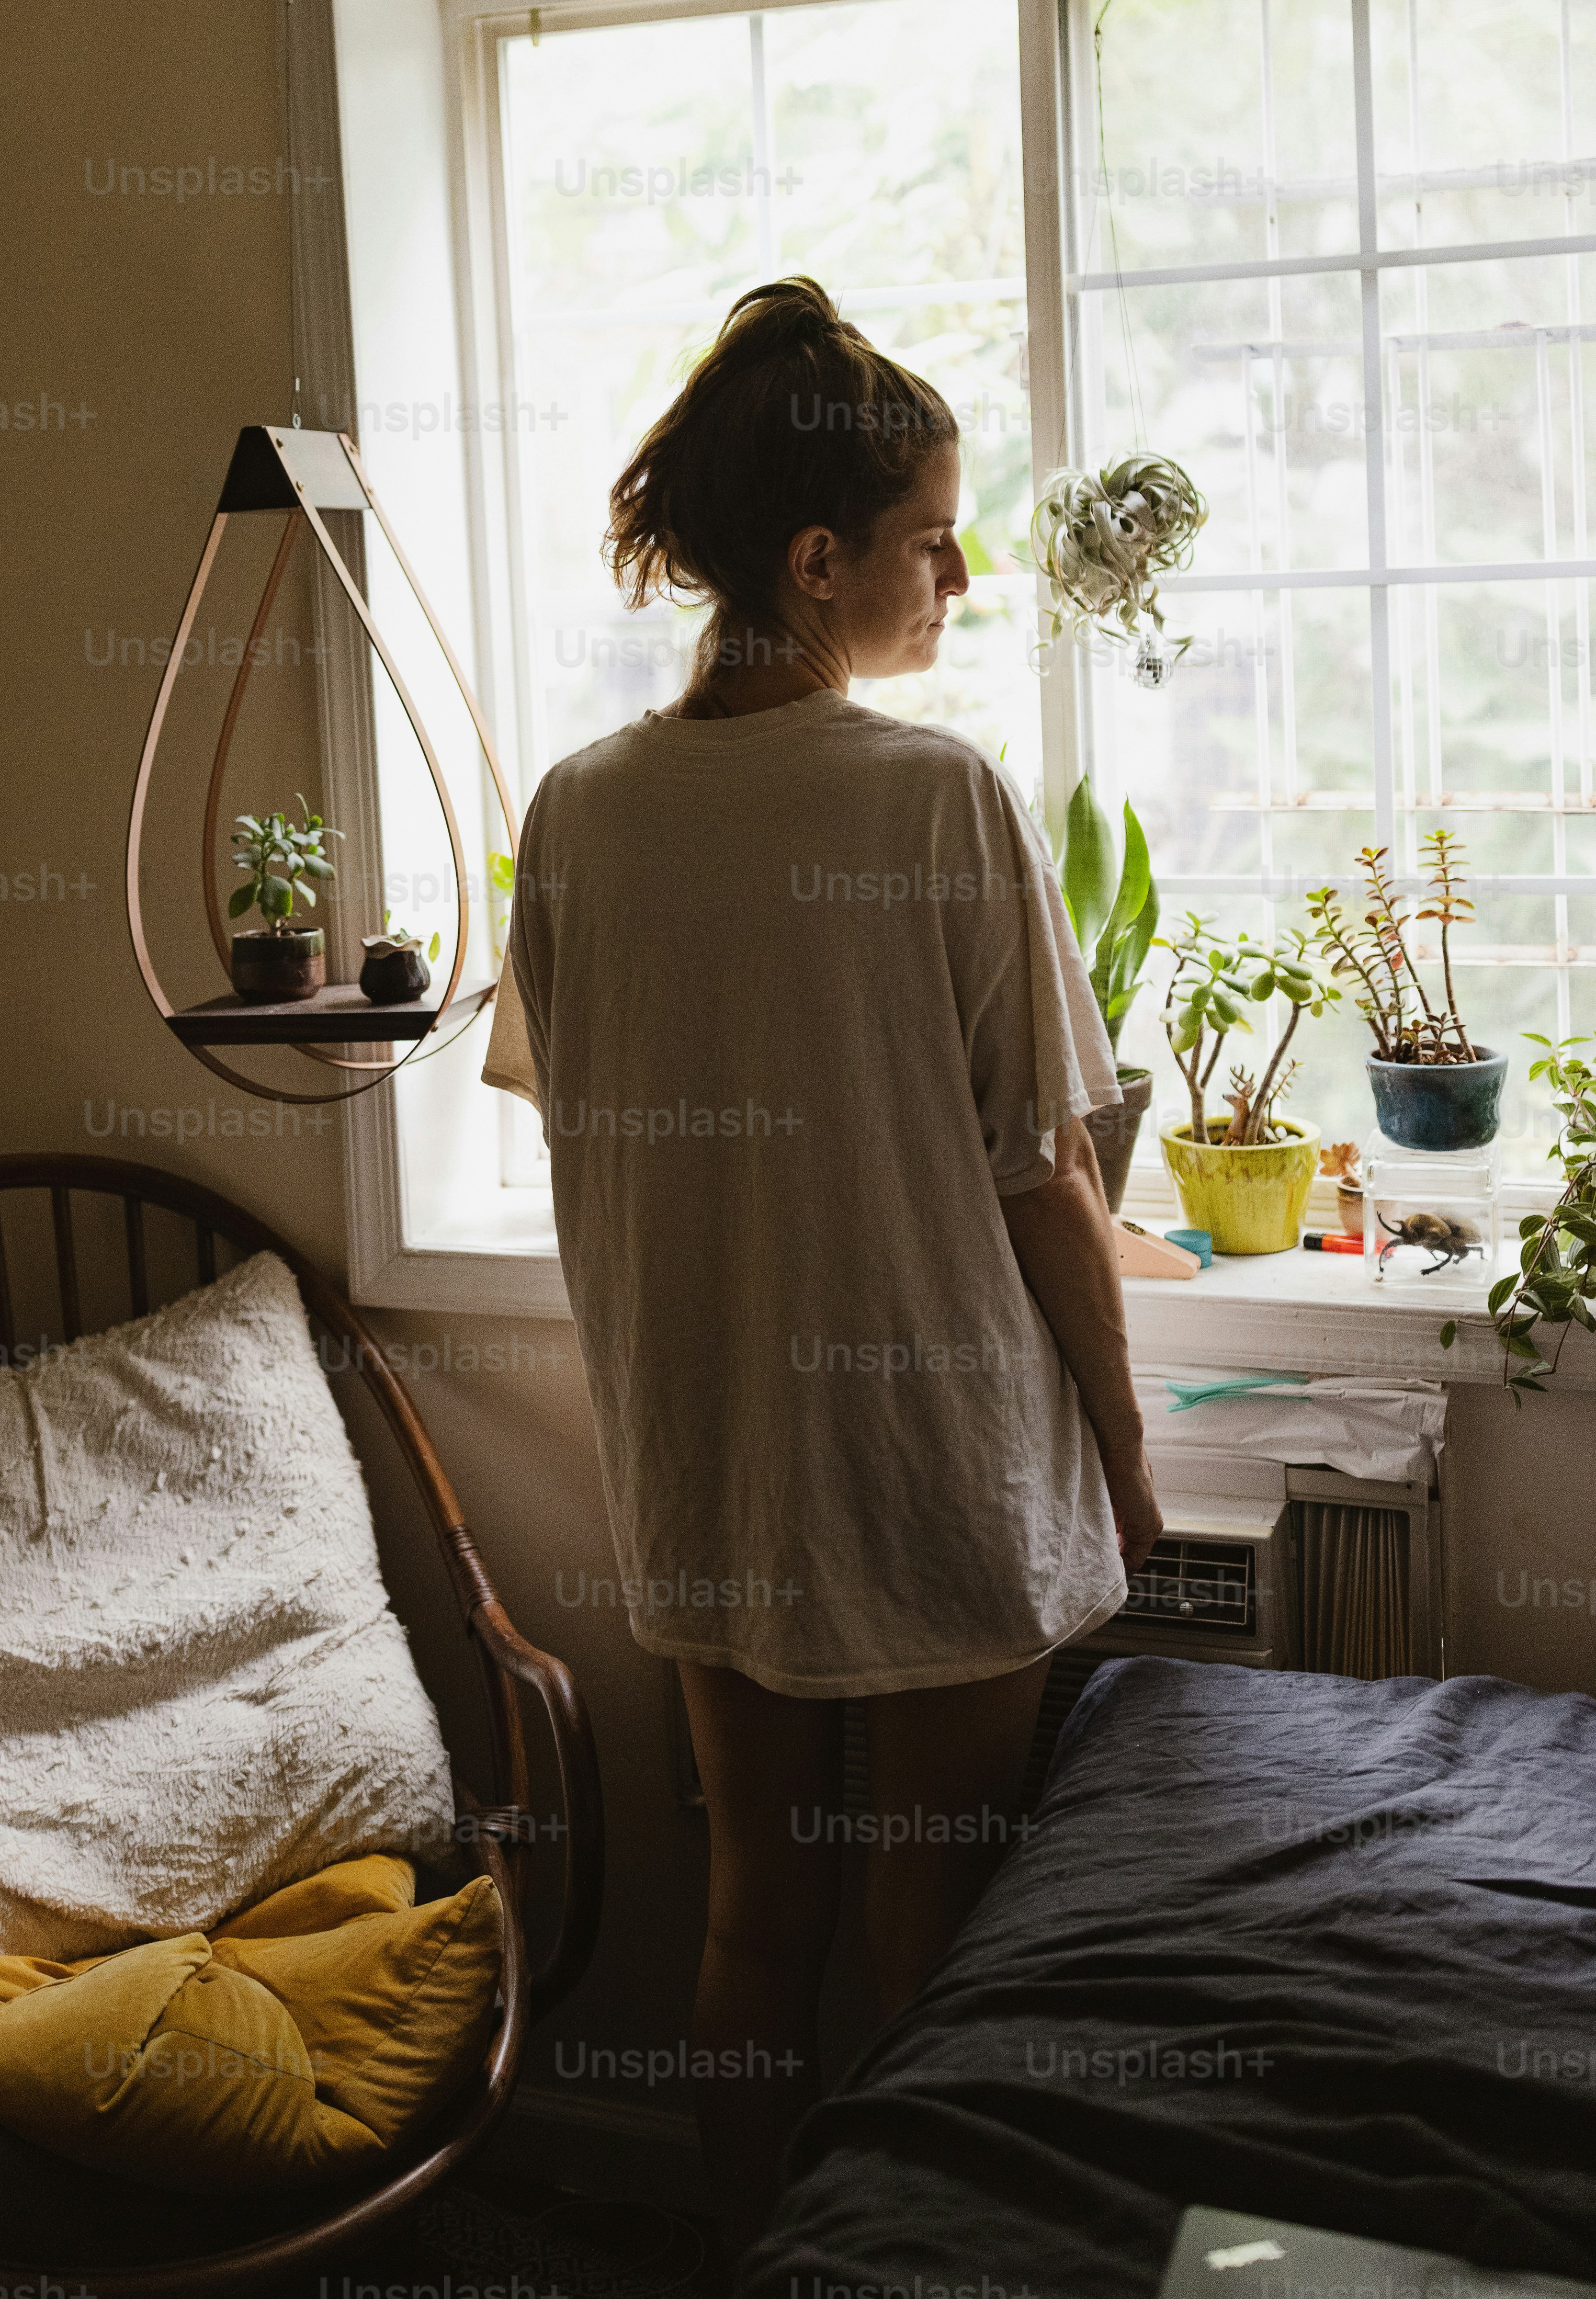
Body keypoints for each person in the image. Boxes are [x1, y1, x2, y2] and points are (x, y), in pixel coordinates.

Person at [482, 276, 1163, 2250]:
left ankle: (741, 2266)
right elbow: (1038, 1181)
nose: (956, 575)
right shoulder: (934, 795)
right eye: (928, 539)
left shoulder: (583, 812)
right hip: (931, 1464)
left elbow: (595, 1122)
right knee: (925, 1927)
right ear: (814, 558)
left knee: (755, 1903)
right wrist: (1120, 1456)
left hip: (706, 1466)